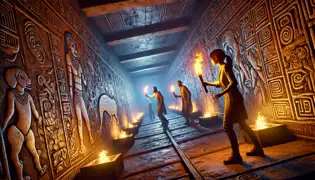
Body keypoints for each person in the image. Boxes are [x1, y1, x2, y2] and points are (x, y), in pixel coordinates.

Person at [202, 49, 264, 165]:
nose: (211, 61)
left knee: (227, 126)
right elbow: (220, 83)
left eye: (212, 59)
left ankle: (236, 155)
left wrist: (221, 93)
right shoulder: (222, 68)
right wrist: (207, 83)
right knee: (243, 125)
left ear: (216, 58)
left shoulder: (225, 67)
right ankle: (258, 148)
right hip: (232, 99)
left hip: (233, 100)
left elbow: (233, 83)